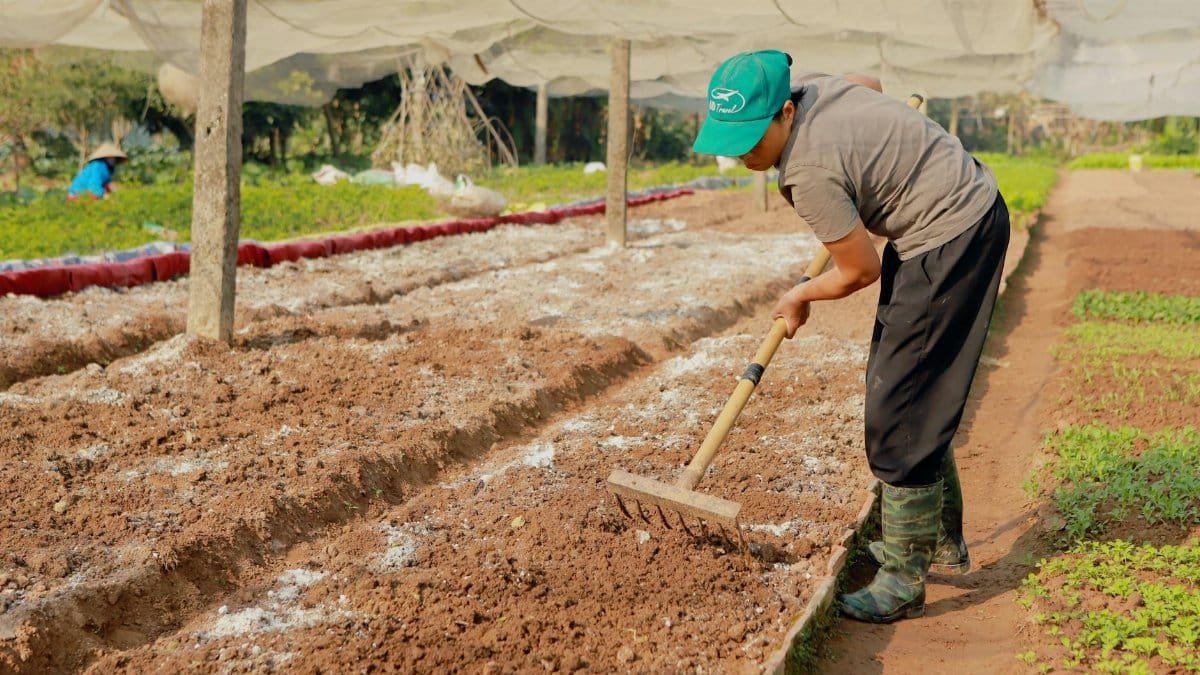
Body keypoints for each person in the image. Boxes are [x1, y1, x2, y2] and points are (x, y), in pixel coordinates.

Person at [692, 50, 1008, 624]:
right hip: (948, 211)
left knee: (901, 407)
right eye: (729, 137)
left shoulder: (806, 174)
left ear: (785, 112)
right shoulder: (808, 86)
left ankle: (905, 580)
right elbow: (870, 81)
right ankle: (934, 539)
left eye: (750, 138)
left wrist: (800, 296)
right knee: (906, 389)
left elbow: (860, 270)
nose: (740, 153)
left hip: (952, 232)